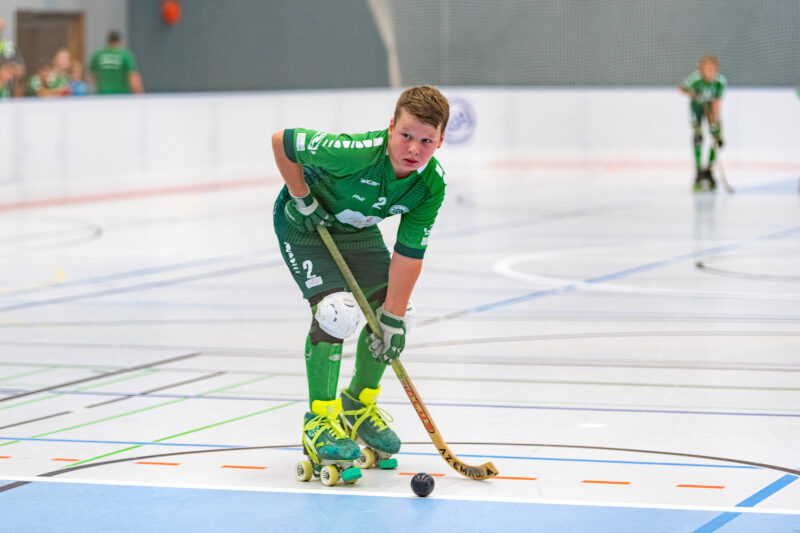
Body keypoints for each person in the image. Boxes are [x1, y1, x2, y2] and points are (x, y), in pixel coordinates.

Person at [271, 85, 449, 481]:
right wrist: (301, 196)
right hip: (305, 226)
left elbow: (409, 254)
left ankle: (357, 407)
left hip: (357, 232)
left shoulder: (430, 185)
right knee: (337, 313)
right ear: (391, 128)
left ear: (440, 141)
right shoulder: (355, 153)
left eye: (426, 140)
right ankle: (319, 422)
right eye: (406, 135)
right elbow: (282, 142)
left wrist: (393, 320)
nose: (413, 148)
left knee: (396, 314)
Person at [679, 55, 727, 192]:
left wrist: (714, 121)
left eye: (713, 69)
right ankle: (698, 171)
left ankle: (709, 170)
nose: (710, 72)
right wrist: (693, 94)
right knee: (698, 137)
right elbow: (682, 88)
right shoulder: (695, 79)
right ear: (702, 70)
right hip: (697, 109)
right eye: (707, 69)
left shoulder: (720, 81)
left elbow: (717, 101)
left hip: (710, 108)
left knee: (716, 136)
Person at [89, 30, 143, 95]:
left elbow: (92, 75)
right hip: (121, 95)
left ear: (108, 41)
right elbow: (133, 76)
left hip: (102, 95)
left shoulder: (98, 55)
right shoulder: (125, 55)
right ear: (119, 41)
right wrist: (140, 94)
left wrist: (102, 84)